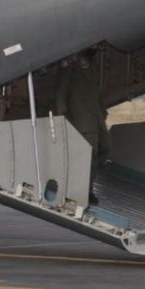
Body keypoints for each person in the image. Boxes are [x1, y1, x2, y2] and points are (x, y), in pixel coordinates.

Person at [54, 47, 110, 205]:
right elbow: (61, 90)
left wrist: (102, 111)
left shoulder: (91, 64)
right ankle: (81, 191)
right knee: (86, 157)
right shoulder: (70, 62)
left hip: (96, 118)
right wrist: (62, 117)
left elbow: (96, 91)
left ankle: (84, 187)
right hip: (81, 119)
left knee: (105, 148)